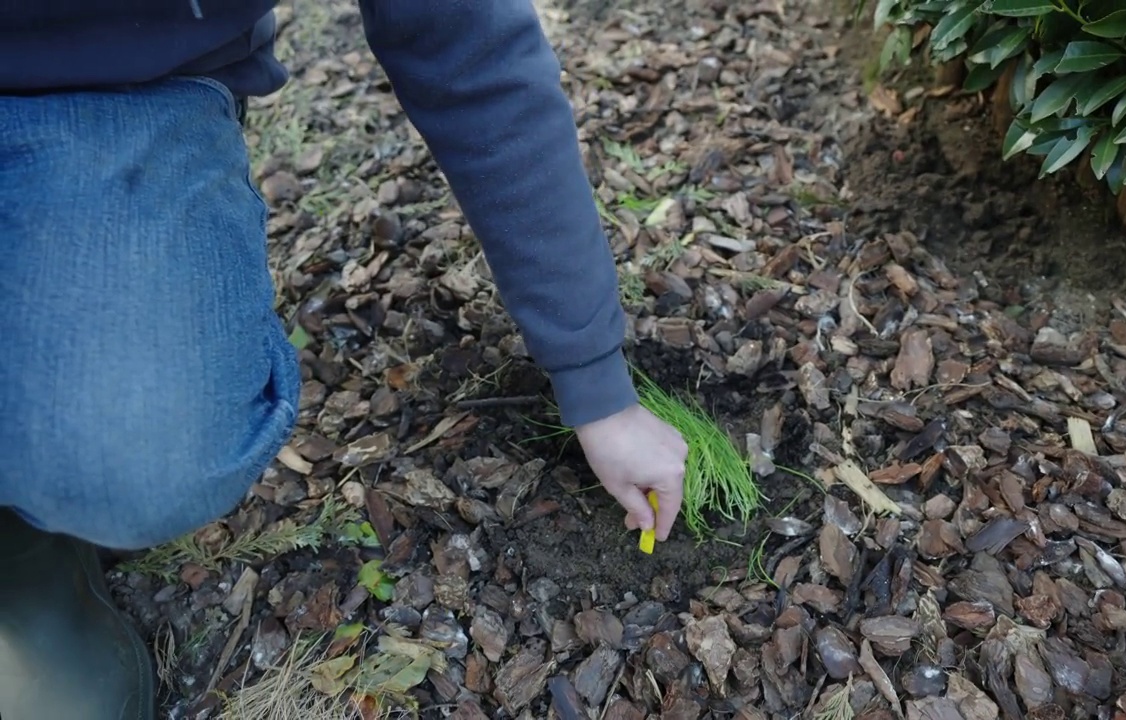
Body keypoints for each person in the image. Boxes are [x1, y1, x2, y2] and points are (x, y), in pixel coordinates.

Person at [0, 1, 688, 717]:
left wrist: (597, 387)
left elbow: (471, 48)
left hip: (110, 87)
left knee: (133, 449)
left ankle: (27, 546)